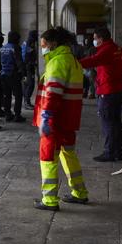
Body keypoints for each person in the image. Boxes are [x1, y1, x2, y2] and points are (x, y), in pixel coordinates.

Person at [32, 27, 89, 211]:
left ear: (53, 43)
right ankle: (79, 192)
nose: (42, 48)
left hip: (55, 120)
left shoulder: (57, 62)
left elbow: (53, 93)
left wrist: (47, 116)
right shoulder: (73, 61)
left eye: (43, 44)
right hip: (68, 120)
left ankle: (49, 199)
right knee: (68, 154)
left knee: (48, 156)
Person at [79, 27, 122, 162]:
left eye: (95, 39)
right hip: (118, 89)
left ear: (101, 38)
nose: (94, 41)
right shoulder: (119, 50)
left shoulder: (106, 50)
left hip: (107, 90)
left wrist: (74, 63)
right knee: (116, 121)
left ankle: (110, 152)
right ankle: (118, 151)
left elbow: (92, 60)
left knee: (108, 122)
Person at [0, 30, 26, 122]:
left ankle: (7, 114)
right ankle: (17, 115)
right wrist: (23, 73)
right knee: (18, 95)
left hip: (3, 74)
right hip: (13, 74)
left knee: (7, 95)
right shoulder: (15, 47)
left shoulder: (3, 48)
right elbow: (19, 61)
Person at [21, 30, 38, 110]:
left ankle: (26, 102)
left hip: (26, 67)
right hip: (28, 67)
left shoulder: (27, 42)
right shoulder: (30, 43)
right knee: (30, 85)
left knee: (26, 84)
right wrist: (32, 64)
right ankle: (27, 102)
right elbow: (27, 56)